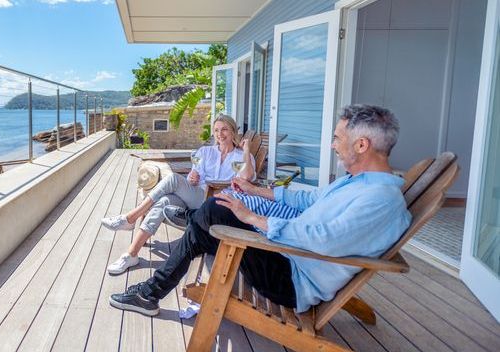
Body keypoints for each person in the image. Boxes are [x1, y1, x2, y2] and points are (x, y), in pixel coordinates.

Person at [108, 104, 411, 316]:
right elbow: (309, 201)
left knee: (213, 212)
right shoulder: (358, 183)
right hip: (288, 253)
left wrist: (252, 218)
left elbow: (322, 239)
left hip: (293, 276)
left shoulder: (380, 199)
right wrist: (256, 191)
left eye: (337, 138)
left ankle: (151, 290)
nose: (333, 146)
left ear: (361, 145)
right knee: (213, 212)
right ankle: (152, 288)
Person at [100, 114, 256, 275]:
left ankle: (130, 218)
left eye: (224, 129)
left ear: (232, 131)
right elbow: (194, 174)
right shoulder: (205, 151)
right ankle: (131, 254)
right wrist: (192, 178)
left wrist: (246, 150)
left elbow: (247, 177)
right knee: (164, 201)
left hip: (216, 204)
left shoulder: (242, 156)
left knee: (173, 179)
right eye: (216, 130)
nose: (220, 134)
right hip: (196, 195)